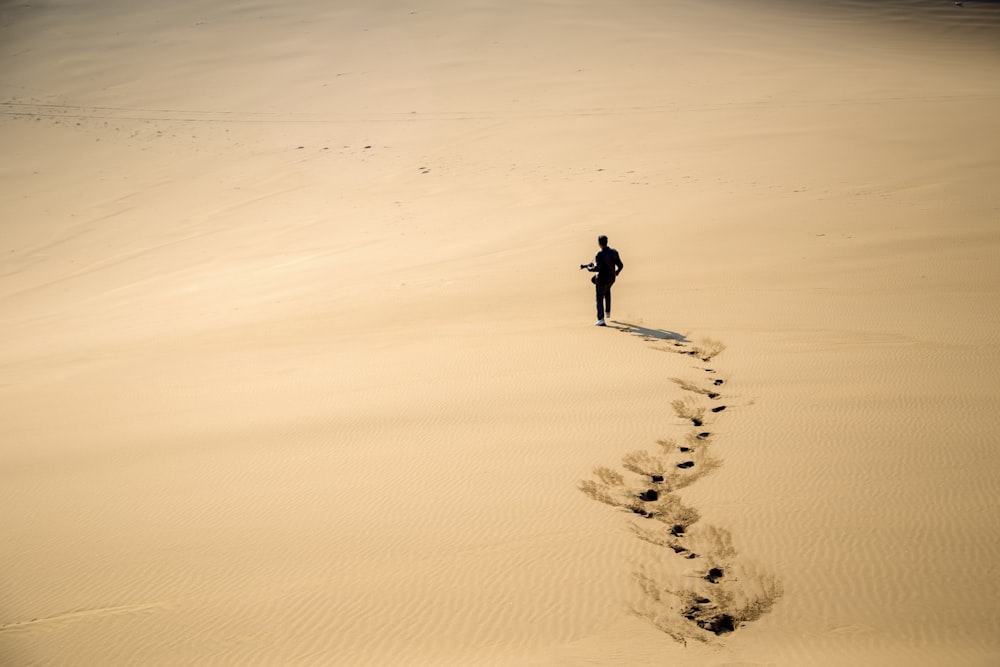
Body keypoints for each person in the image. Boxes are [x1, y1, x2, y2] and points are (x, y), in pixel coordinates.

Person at [580, 235, 623, 326]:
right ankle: (608, 312)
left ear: (599, 243)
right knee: (607, 291)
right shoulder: (614, 252)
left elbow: (597, 268)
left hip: (601, 279)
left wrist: (588, 268)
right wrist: (616, 272)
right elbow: (621, 265)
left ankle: (601, 319)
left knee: (599, 298)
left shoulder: (599, 254)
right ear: (606, 242)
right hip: (611, 278)